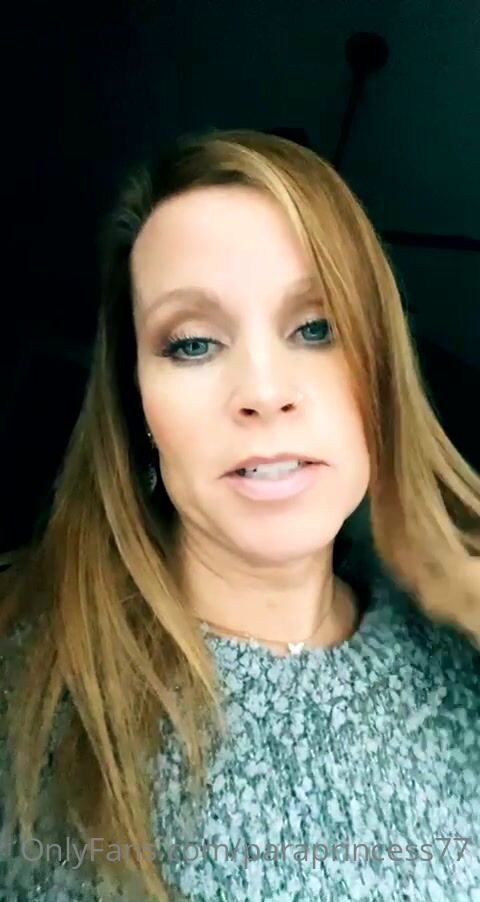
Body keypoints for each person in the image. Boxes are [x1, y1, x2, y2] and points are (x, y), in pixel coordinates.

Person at [0, 127, 480, 902]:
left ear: (382, 372)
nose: (263, 390)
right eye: (192, 343)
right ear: (134, 405)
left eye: (317, 328)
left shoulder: (463, 662)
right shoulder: (23, 690)